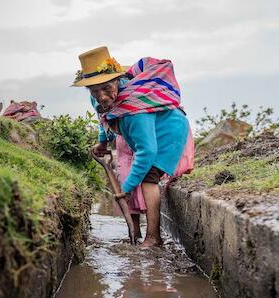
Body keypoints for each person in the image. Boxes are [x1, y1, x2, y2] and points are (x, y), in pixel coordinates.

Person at [72, 46, 194, 247]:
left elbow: (147, 151)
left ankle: (153, 237)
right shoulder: (100, 100)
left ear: (117, 81)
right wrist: (103, 141)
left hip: (169, 130)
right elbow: (103, 117)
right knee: (136, 174)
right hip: (148, 132)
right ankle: (138, 233)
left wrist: (127, 189)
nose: (102, 96)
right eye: (95, 91)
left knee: (148, 177)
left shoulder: (134, 109)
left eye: (107, 89)